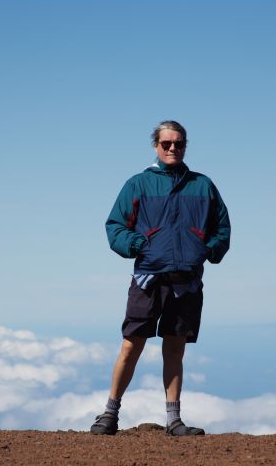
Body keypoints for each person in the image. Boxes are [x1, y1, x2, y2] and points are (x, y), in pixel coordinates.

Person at [90, 120, 231, 436]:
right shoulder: (138, 184)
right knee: (131, 345)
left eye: (178, 143)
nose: (172, 148)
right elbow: (115, 226)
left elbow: (222, 228)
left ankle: (173, 421)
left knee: (175, 349)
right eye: (166, 143)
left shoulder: (202, 185)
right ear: (156, 146)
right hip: (148, 278)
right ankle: (109, 414)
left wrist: (206, 249)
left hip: (187, 280)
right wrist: (137, 244)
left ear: (185, 146)